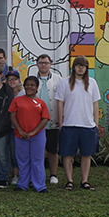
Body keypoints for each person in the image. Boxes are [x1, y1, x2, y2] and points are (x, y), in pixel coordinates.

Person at [54, 56, 100, 191]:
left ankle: (84, 181)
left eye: (83, 65)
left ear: (86, 68)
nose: (80, 68)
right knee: (67, 154)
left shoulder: (92, 83)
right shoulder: (65, 83)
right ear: (73, 67)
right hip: (69, 124)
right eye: (78, 65)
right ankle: (70, 181)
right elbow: (60, 104)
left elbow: (95, 104)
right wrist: (61, 124)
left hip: (88, 125)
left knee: (86, 154)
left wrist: (96, 123)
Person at [10, 76, 50, 193]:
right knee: (23, 160)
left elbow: (45, 119)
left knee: (37, 160)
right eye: (27, 85)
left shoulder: (41, 103)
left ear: (37, 87)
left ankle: (40, 186)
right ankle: (23, 184)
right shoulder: (17, 100)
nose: (29, 87)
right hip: (20, 135)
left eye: (32, 85)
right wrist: (20, 130)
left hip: (37, 136)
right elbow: (12, 116)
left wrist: (33, 132)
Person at [35, 54, 63, 185]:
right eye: (41, 62)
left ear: (50, 64)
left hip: (53, 121)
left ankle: (53, 174)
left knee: (52, 150)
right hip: (36, 123)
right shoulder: (32, 80)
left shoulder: (59, 80)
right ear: (37, 64)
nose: (43, 65)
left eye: (46, 63)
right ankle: (38, 174)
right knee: (37, 151)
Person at [5, 69, 22, 185]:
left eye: (14, 79)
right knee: (13, 152)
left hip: (22, 127)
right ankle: (15, 175)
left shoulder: (23, 93)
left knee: (22, 152)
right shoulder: (5, 93)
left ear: (19, 80)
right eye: (9, 80)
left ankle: (24, 174)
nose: (12, 82)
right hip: (9, 127)